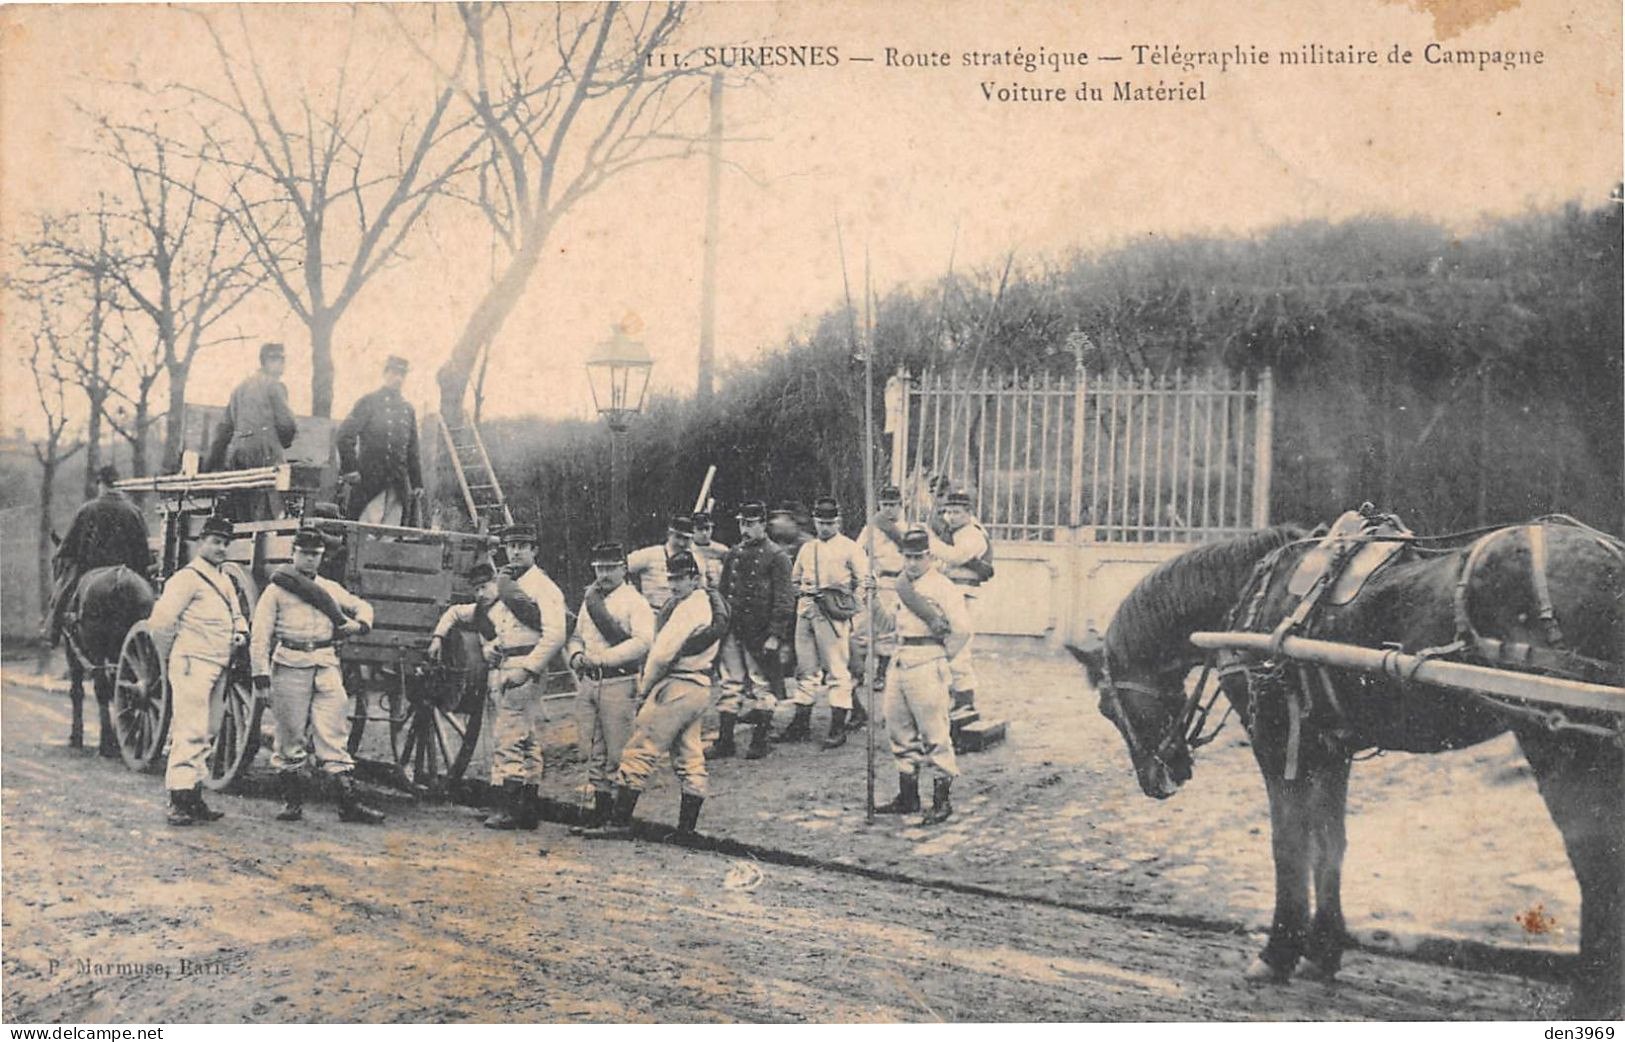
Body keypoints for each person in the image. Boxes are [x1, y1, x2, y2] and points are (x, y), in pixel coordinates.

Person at [582, 551, 726, 840]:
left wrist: (645, 688)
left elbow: (661, 656)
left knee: (640, 748)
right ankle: (687, 830)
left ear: (694, 578)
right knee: (689, 755)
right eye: (671, 579)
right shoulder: (707, 602)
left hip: (676, 684)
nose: (675, 585)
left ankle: (620, 820)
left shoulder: (689, 607)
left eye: (681, 579)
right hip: (698, 686)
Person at [251, 528, 383, 825]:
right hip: (289, 665)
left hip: (325, 664)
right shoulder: (276, 591)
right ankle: (292, 803)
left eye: (315, 555)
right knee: (289, 735)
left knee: (334, 730)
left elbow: (362, 605)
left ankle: (349, 804)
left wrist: (360, 625)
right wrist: (260, 677)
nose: (310, 560)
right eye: (304, 553)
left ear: (322, 557)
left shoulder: (329, 588)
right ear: (293, 553)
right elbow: (260, 636)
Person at [427, 558, 557, 830]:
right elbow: (455, 614)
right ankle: (527, 805)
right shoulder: (482, 610)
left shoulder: (516, 604)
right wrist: (440, 637)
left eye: (485, 586)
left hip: (520, 670)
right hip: (503, 672)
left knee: (508, 737)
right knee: (525, 736)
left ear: (497, 583)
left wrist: (498, 648)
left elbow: (527, 636)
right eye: (476, 589)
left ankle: (510, 808)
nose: (480, 593)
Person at [145, 515, 248, 826]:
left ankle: (193, 796)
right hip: (192, 663)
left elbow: (238, 615)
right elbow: (160, 623)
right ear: (201, 542)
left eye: (225, 543)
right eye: (215, 541)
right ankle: (177, 799)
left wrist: (240, 632)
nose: (221, 548)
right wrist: (171, 657)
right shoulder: (186, 579)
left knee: (208, 730)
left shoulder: (225, 580)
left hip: (219, 664)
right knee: (189, 729)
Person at [875, 526, 971, 826]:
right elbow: (891, 622)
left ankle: (942, 801)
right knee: (898, 729)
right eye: (908, 557)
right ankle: (908, 796)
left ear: (929, 556)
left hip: (928, 662)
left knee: (935, 734)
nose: (912, 563)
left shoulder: (943, 587)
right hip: (901, 659)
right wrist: (869, 598)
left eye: (918, 557)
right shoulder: (902, 584)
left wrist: (942, 658)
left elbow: (962, 630)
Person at [564, 542, 655, 829]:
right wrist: (576, 654)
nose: (603, 575)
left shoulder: (634, 601)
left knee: (618, 751)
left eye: (609, 568)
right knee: (594, 750)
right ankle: (598, 811)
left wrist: (603, 659)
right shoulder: (590, 599)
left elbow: (642, 642)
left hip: (619, 680)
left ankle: (618, 816)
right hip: (590, 683)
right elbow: (577, 635)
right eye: (599, 569)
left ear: (623, 569)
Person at [784, 495, 867, 749]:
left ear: (838, 522)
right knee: (806, 668)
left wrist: (849, 606)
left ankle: (837, 727)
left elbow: (865, 581)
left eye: (829, 523)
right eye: (820, 522)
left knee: (837, 670)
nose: (824, 527)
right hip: (806, 611)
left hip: (833, 613)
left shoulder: (850, 547)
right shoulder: (808, 548)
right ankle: (800, 723)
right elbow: (795, 578)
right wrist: (801, 592)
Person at [716, 501, 794, 760]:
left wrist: (775, 634)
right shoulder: (733, 554)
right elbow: (722, 593)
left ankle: (760, 741)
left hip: (759, 632)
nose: (745, 529)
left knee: (762, 684)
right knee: (730, 683)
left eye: (750, 524)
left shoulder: (777, 556)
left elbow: (784, 599)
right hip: (732, 629)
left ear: (763, 524)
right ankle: (725, 741)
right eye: (742, 524)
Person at [46, 465, 152, 646]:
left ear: (100, 484)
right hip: (131, 571)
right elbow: (144, 551)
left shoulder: (87, 510)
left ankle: (53, 631)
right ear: (118, 485)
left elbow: (66, 550)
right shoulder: (134, 511)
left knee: (64, 590)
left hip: (92, 569)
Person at [207, 342, 298, 519]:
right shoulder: (274, 386)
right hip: (265, 454)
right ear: (264, 362)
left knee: (242, 507)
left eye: (282, 360)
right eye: (276, 359)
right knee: (269, 506)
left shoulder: (239, 389)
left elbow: (223, 430)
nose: (280, 365)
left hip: (238, 455)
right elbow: (287, 424)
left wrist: (210, 466)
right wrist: (285, 443)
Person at [929, 488, 994, 729]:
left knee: (960, 647)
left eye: (957, 512)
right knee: (946, 645)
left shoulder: (973, 535)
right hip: (949, 593)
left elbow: (955, 557)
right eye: (947, 511)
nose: (951, 516)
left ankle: (965, 701)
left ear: (969, 513)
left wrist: (931, 542)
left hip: (965, 594)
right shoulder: (955, 532)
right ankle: (953, 699)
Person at [336, 355, 423, 525]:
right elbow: (344, 435)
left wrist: (417, 482)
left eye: (402, 374)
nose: (398, 378)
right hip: (370, 482)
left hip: (398, 484)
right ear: (385, 373)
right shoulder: (369, 402)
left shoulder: (408, 409)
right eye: (394, 373)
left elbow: (413, 450)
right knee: (365, 530)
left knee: (392, 533)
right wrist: (350, 469)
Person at [851, 484, 908, 717]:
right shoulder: (871, 529)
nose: (889, 510)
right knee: (862, 627)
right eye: (885, 505)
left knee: (887, 629)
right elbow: (857, 551)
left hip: (897, 583)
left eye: (893, 505)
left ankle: (882, 672)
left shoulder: (907, 528)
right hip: (875, 579)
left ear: (900, 506)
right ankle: (858, 672)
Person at [625, 515, 696, 610]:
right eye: (678, 537)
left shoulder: (697, 561)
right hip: (653, 612)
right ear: (669, 534)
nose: (681, 543)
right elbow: (621, 568)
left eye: (686, 539)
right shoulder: (650, 554)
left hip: (683, 615)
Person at [689, 511, 728, 589]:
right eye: (700, 529)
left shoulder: (722, 550)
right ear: (692, 530)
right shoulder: (688, 550)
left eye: (707, 529)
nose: (704, 533)